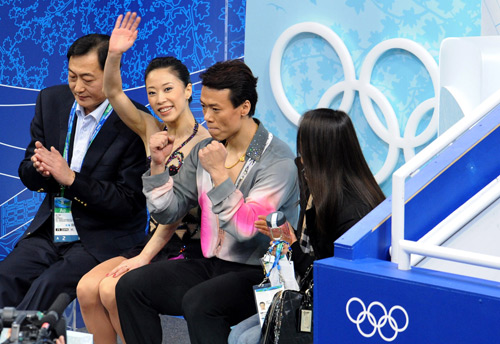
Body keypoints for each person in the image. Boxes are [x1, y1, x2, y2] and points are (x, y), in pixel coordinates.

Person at [115, 59, 300, 344]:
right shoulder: (206, 148)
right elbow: (167, 213)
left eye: (216, 109)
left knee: (200, 303)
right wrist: (158, 165)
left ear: (244, 108)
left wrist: (218, 172)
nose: (207, 117)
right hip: (211, 263)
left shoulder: (277, 160)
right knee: (130, 286)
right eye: (204, 107)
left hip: (260, 272)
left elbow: (246, 229)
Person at [76, 12, 210, 344]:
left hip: (182, 248)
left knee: (111, 289)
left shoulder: (206, 145)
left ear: (188, 90)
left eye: (168, 89)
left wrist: (142, 258)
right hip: (150, 241)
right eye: (152, 92)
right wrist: (115, 54)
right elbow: (113, 92)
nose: (160, 99)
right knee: (87, 288)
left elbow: (176, 214)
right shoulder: (150, 128)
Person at [0, 33, 149, 311]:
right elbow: (27, 171)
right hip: (52, 229)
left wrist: (71, 179)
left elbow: (128, 202)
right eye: (72, 76)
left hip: (103, 237)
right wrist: (40, 169)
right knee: (5, 277)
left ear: (111, 75)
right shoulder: (51, 101)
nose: (78, 87)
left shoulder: (136, 121)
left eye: (88, 79)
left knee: (46, 288)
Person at [228, 108, 386, 344]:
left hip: (335, 306)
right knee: (237, 334)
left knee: (246, 339)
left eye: (304, 154)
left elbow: (331, 279)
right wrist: (287, 237)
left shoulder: (352, 211)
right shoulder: (318, 185)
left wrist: (292, 245)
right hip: (306, 290)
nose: (301, 162)